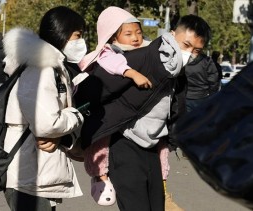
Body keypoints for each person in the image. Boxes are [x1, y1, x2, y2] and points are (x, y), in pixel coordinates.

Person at [76, 13, 211, 211]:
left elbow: (175, 109)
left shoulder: (178, 73)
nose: (189, 54)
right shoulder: (140, 57)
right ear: (173, 35)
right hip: (124, 143)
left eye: (197, 51)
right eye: (186, 45)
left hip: (153, 147)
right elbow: (94, 90)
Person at [2, 6, 87, 211]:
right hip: (29, 171)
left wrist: (63, 137)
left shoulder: (51, 66)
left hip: (37, 171)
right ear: (62, 33)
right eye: (78, 35)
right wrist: (76, 113)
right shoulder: (41, 67)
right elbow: (47, 124)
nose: (80, 41)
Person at [78, 6, 152, 206]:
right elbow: (115, 65)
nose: (135, 38)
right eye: (128, 34)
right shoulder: (108, 53)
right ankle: (99, 175)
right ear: (112, 37)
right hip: (108, 115)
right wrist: (133, 73)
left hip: (138, 123)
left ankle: (162, 175)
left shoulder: (146, 50)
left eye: (138, 32)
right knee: (101, 140)